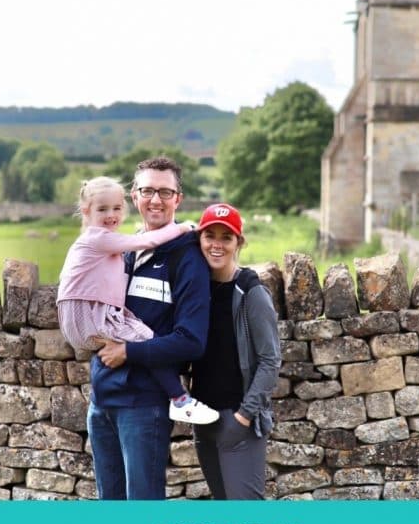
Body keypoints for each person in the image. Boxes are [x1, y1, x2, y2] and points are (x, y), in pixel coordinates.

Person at [86, 157, 213, 500]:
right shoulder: (122, 251)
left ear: (178, 199)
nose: (155, 199)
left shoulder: (187, 260)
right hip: (101, 400)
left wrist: (128, 351)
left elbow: (192, 341)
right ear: (134, 195)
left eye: (165, 192)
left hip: (143, 406)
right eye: (147, 191)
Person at [57, 175, 217, 426]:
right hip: (89, 323)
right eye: (102, 209)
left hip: (128, 394)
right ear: (86, 211)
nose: (111, 215)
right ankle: (180, 399)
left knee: (135, 335)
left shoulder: (101, 243)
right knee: (144, 335)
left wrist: (127, 351)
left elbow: (191, 340)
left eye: (116, 208)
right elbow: (146, 241)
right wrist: (183, 228)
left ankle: (179, 399)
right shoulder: (103, 239)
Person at [190, 203, 281, 500]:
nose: (217, 244)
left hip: (237, 421)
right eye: (210, 236)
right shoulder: (195, 288)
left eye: (226, 237)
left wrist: (244, 416)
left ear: (238, 243)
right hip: (203, 422)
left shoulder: (251, 292)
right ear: (199, 240)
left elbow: (270, 360)